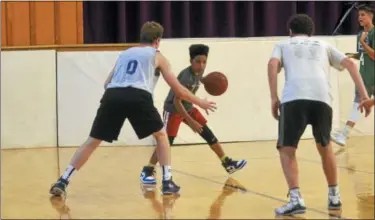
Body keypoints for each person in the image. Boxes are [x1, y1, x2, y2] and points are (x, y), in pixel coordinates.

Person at [49, 21, 217, 197]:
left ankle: (63, 180)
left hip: (113, 95)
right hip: (138, 96)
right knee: (161, 136)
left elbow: (107, 83)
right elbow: (179, 90)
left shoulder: (125, 54)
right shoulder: (158, 56)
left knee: (92, 141)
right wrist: (200, 102)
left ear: (141, 38)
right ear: (157, 40)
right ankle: (167, 182)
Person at [267, 14, 371, 216]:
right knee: (325, 147)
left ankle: (296, 200)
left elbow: (272, 65)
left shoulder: (283, 44)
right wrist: (364, 96)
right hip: (322, 99)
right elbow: (349, 64)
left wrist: (273, 97)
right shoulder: (323, 45)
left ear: (290, 32)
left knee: (287, 149)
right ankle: (334, 196)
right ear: (311, 32)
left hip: (294, 98)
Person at [140, 44, 247, 185]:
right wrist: (190, 122)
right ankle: (148, 169)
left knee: (208, 134)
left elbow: (195, 86)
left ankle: (227, 162)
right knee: (166, 142)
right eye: (198, 62)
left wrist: (208, 81)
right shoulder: (186, 77)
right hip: (173, 110)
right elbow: (177, 101)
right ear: (191, 61)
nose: (201, 65)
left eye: (204, 62)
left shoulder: (200, 73)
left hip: (188, 107)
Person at [331, 4, 375, 146]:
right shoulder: (359, 35)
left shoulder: (372, 33)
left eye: (363, 15)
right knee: (357, 105)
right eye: (358, 15)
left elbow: (373, 55)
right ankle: (344, 134)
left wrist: (363, 41)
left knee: (359, 105)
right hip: (363, 77)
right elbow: (364, 55)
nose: (359, 18)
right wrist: (349, 57)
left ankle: (344, 134)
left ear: (371, 16)